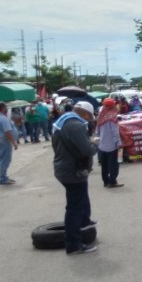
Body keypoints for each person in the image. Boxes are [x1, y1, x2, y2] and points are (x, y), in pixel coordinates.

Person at [52, 101, 98, 255]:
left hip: (64, 167)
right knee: (74, 208)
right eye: (90, 116)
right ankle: (74, 244)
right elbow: (86, 150)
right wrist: (94, 144)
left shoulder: (62, 121)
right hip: (73, 171)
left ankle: (84, 223)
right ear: (84, 113)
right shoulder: (75, 125)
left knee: (81, 200)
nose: (90, 119)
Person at [96, 98, 124, 188]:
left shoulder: (101, 116)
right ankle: (112, 182)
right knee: (114, 165)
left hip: (102, 146)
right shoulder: (112, 117)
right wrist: (119, 143)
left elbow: (97, 132)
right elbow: (115, 132)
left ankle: (105, 182)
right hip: (113, 146)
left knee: (104, 165)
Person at [0, 102, 18, 185]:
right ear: (3, 108)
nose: (7, 109)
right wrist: (14, 143)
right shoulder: (3, 118)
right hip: (5, 141)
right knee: (5, 160)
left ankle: (3, 176)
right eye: (5, 107)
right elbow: (8, 132)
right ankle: (3, 178)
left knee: (2, 159)